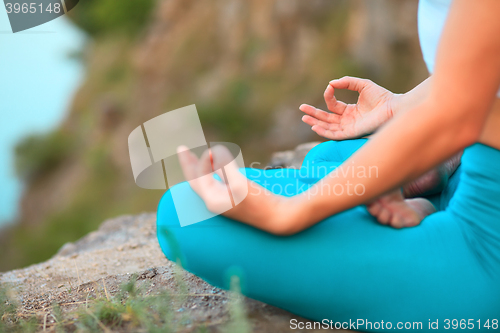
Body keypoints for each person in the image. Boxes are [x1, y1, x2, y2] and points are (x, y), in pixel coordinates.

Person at [157, 0, 500, 329]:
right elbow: (481, 60)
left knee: (188, 211)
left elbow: (457, 118)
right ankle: (426, 191)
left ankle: (424, 208)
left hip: (486, 249)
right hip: (471, 160)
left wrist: (286, 213)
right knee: (327, 158)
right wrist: (403, 110)